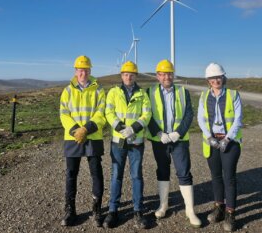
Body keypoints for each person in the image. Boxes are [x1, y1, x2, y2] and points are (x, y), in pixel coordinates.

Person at [146, 59, 201, 227]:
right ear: (157, 76)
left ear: (173, 75)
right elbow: (146, 115)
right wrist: (158, 132)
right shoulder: (150, 92)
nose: (166, 77)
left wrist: (179, 132)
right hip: (159, 140)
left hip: (179, 140)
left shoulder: (182, 92)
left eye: (169, 73)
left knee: (184, 172)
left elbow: (189, 114)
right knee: (162, 171)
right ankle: (163, 205)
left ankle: (190, 210)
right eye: (163, 74)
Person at [103, 61, 152, 229]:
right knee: (116, 175)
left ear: (136, 76)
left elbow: (147, 113)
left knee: (136, 175)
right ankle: (113, 210)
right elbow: (108, 112)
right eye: (125, 74)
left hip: (136, 142)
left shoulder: (143, 94)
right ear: (121, 76)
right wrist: (119, 126)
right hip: (118, 141)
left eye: (131, 74)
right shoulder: (113, 93)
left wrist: (135, 127)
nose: (128, 77)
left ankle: (138, 210)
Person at [59, 55, 106, 227]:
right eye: (80, 69)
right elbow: (64, 114)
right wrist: (75, 131)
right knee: (71, 174)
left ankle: (97, 210)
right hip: (73, 138)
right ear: (75, 71)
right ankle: (70, 210)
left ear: (90, 70)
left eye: (86, 69)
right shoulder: (67, 91)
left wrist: (86, 129)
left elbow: (101, 114)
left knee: (96, 173)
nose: (83, 72)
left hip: (92, 136)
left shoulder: (99, 90)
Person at [197, 63, 243, 232]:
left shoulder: (233, 95)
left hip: (229, 143)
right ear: (208, 80)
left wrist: (228, 139)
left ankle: (231, 213)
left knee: (229, 177)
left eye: (219, 77)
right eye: (212, 78)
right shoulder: (203, 96)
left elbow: (238, 119)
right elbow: (201, 119)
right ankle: (219, 208)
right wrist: (209, 137)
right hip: (212, 142)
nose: (216, 80)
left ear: (223, 77)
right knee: (216, 176)